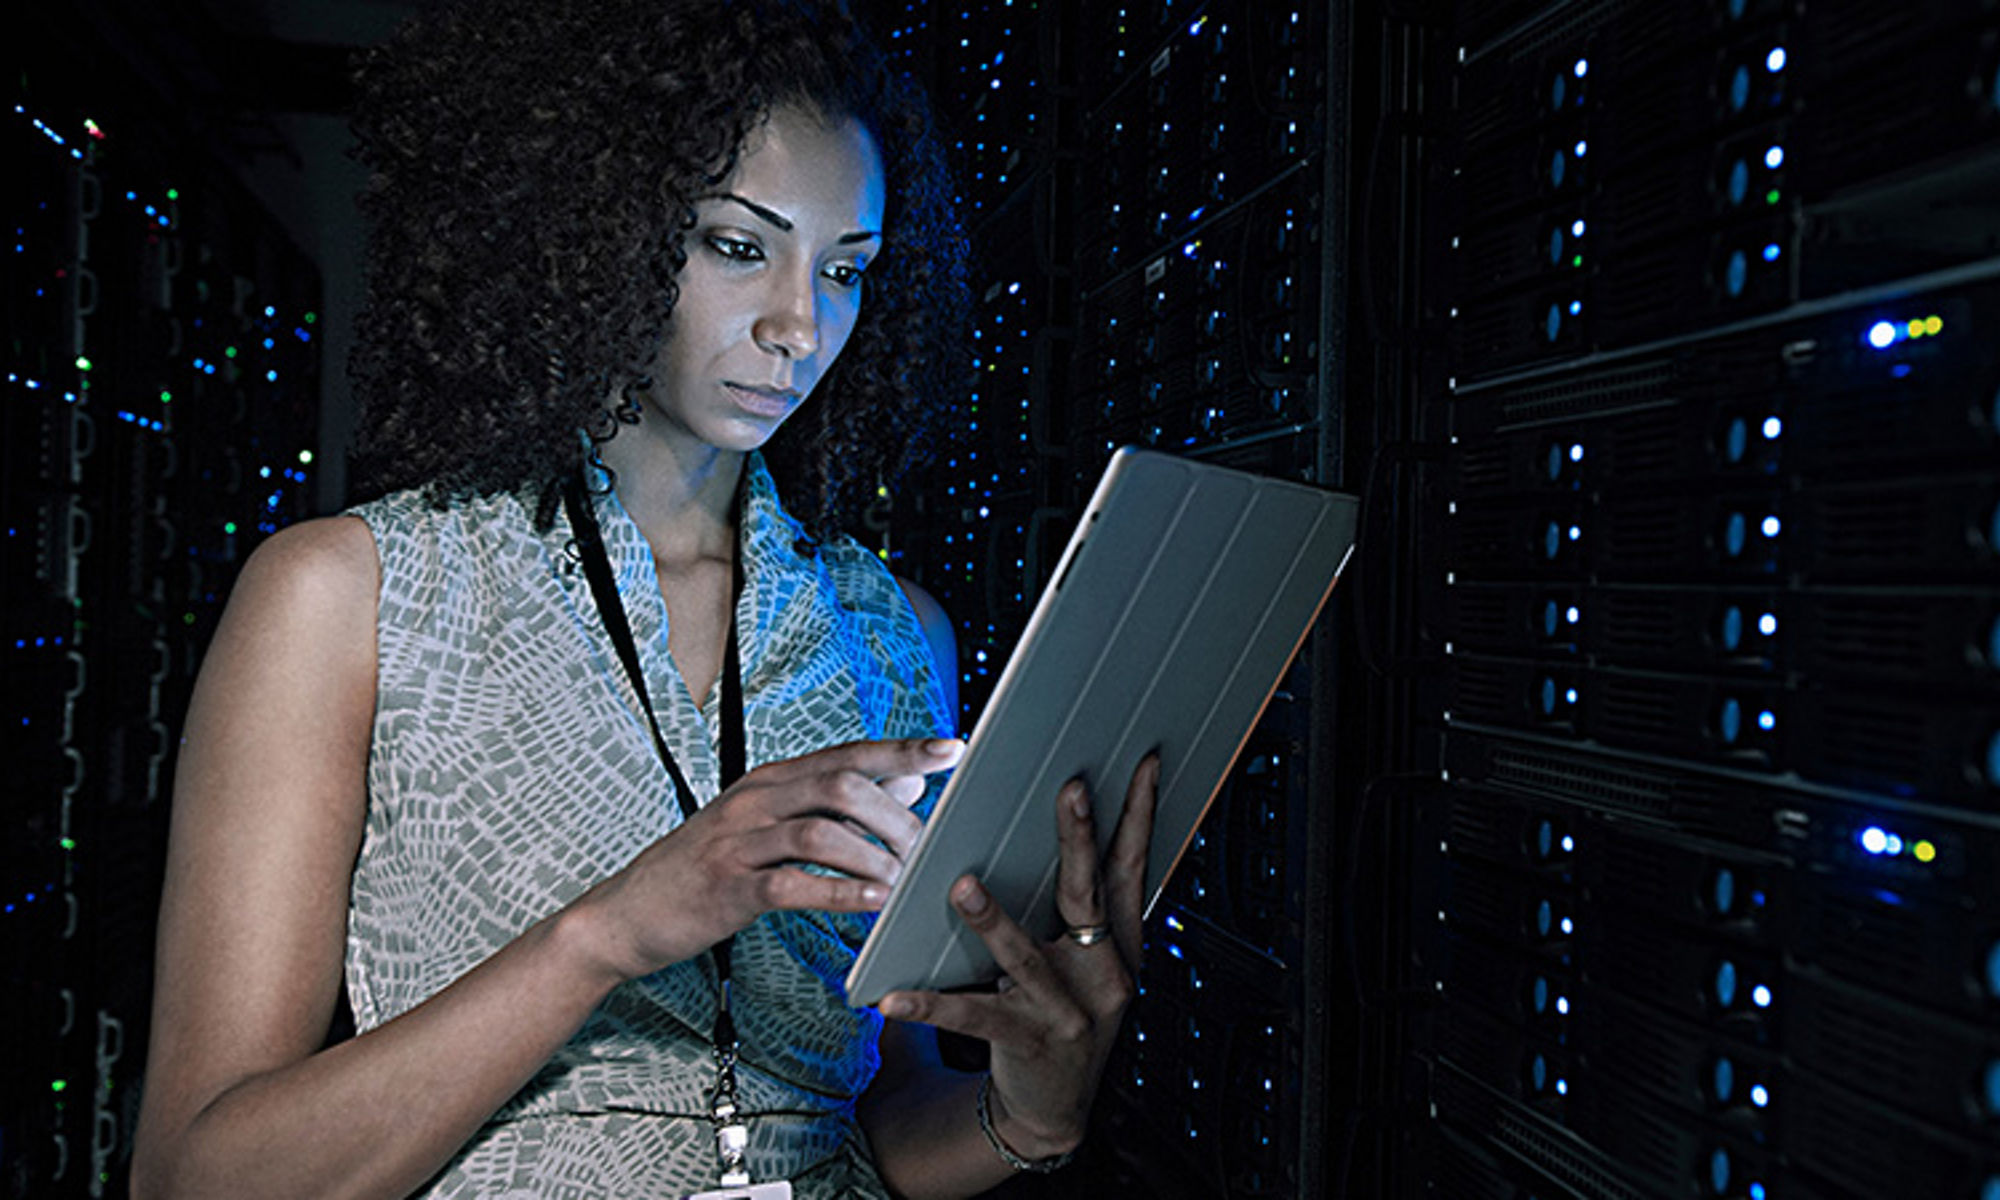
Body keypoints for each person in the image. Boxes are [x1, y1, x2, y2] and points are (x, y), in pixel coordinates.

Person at [129, 1, 1160, 1197]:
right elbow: (194, 1177)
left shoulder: (893, 636)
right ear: (595, 227)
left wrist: (1023, 1112)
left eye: (845, 270)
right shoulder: (348, 597)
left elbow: (852, 1121)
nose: (798, 325)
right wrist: (610, 932)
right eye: (736, 245)